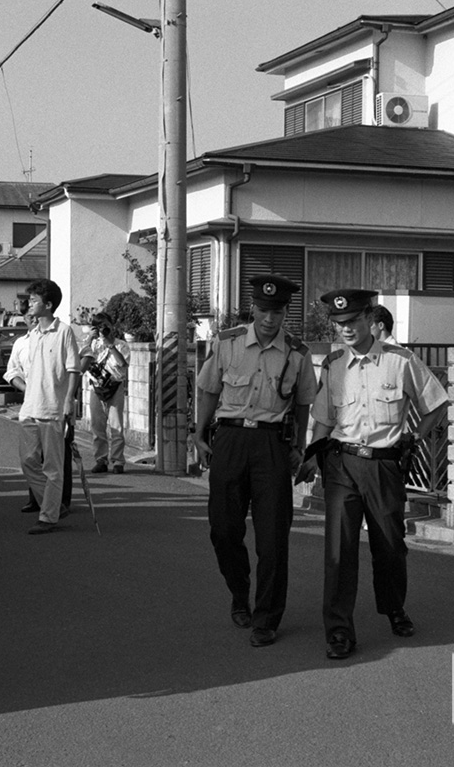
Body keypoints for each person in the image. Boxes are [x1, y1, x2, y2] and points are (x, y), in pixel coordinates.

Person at [298, 290, 448, 660]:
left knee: (390, 546)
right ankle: (338, 631)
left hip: (384, 465)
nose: (345, 330)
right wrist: (312, 458)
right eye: (338, 324)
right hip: (342, 464)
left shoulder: (400, 361)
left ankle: (394, 608)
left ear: (369, 319)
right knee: (339, 549)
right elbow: (323, 420)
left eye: (352, 322)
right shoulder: (332, 366)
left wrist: (413, 437)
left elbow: (436, 403)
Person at [192, 275, 318, 648]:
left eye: (276, 312)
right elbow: (209, 389)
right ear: (253, 308)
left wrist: (298, 446)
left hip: (272, 447)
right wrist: (198, 435)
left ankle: (267, 617)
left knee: (273, 539)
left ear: (284, 313)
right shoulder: (228, 342)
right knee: (224, 530)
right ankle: (239, 592)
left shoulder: (298, 352)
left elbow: (303, 403)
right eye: (263, 311)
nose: (269, 319)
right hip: (230, 441)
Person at [3, 280, 80, 535]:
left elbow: (73, 369)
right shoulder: (32, 335)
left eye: (34, 300)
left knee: (53, 468)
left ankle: (48, 516)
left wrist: (69, 399)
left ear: (48, 305)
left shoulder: (64, 332)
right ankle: (54, 504)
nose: (30, 304)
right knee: (28, 461)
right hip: (29, 406)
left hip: (52, 407)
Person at [80, 312, 130, 474]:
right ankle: (100, 460)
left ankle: (117, 461)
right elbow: (78, 358)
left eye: (105, 326)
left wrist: (110, 345)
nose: (103, 330)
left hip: (115, 386)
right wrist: (90, 338)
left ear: (112, 325)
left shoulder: (121, 344)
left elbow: (123, 363)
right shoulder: (92, 345)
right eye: (99, 327)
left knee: (117, 427)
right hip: (96, 386)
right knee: (97, 427)